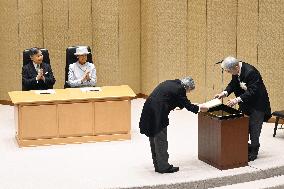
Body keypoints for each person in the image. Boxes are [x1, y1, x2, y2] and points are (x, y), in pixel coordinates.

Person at [139, 77, 208, 173]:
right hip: (158, 112)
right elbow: (188, 105)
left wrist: (177, 104)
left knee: (153, 137)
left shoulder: (172, 82)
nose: (187, 92)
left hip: (149, 107)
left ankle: (158, 165)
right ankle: (164, 167)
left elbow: (170, 97)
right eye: (188, 91)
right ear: (187, 87)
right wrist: (200, 108)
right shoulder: (180, 90)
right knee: (161, 139)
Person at [214, 56, 271, 162]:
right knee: (243, 126)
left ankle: (254, 152)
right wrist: (224, 93)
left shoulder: (251, 72)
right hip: (245, 103)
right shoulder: (236, 70)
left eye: (229, 71)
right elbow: (233, 84)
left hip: (257, 105)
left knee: (254, 128)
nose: (228, 73)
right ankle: (244, 147)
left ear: (236, 67)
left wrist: (236, 100)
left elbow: (253, 91)